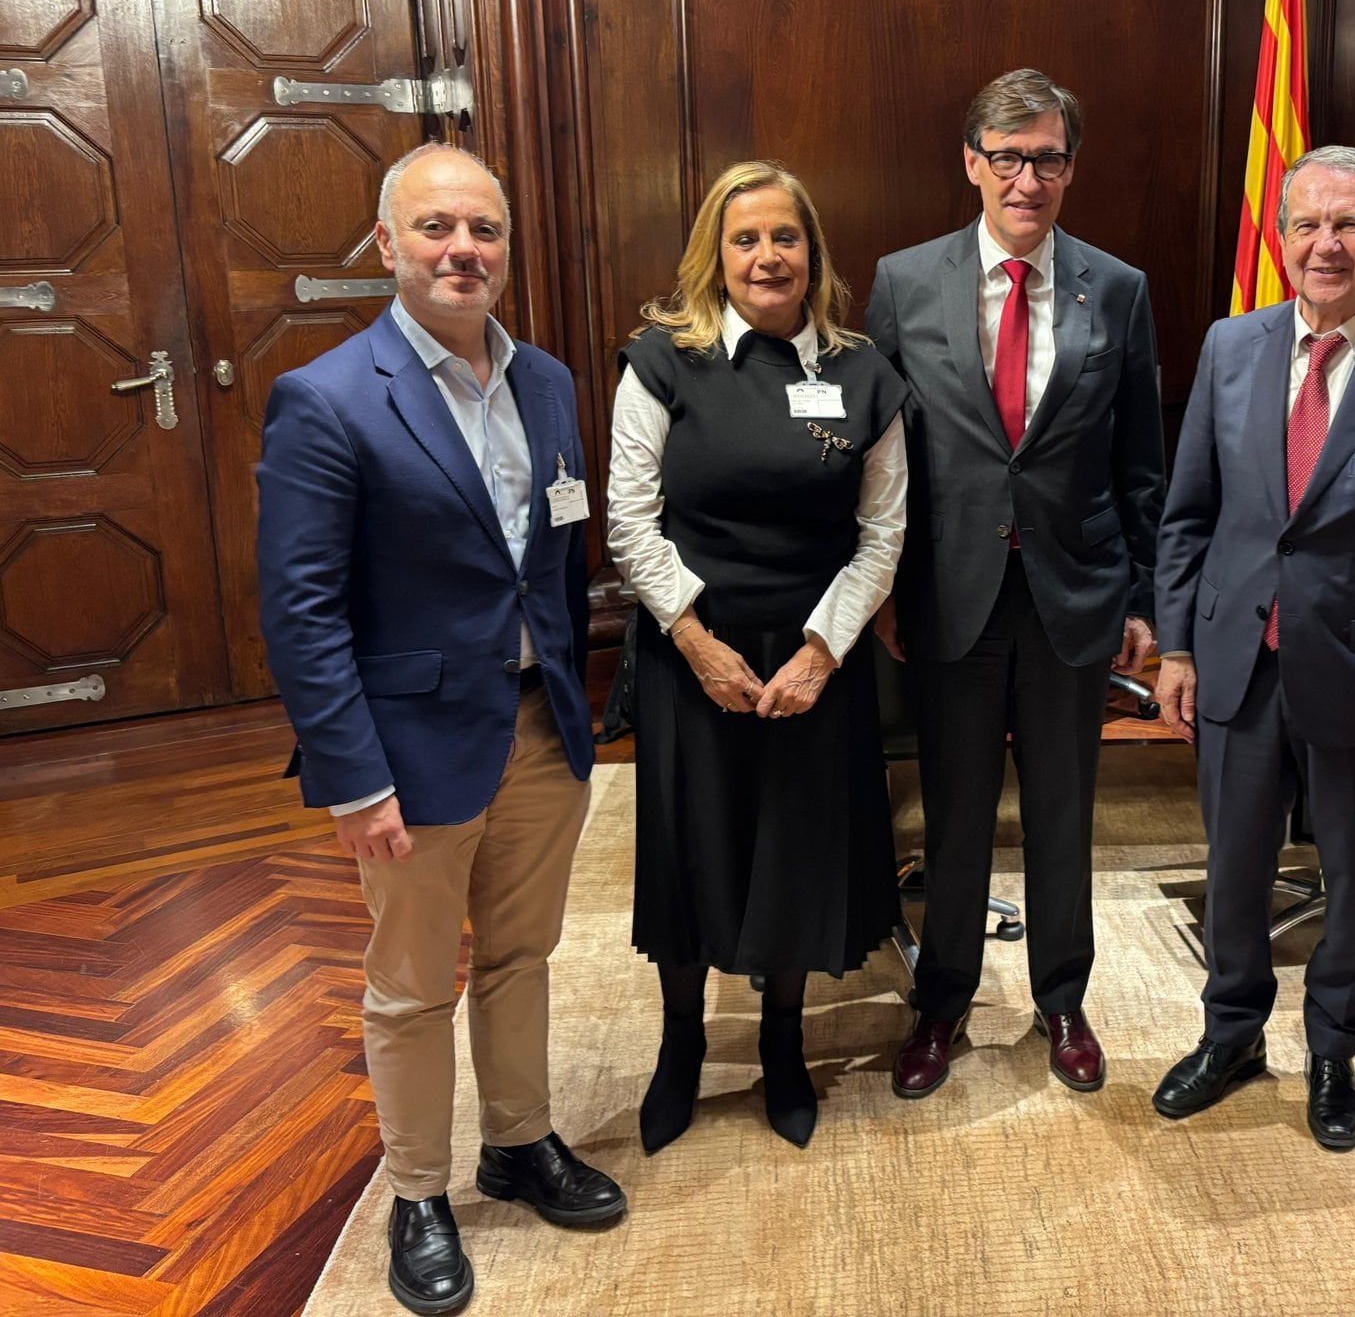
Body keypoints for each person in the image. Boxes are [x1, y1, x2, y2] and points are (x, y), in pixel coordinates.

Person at [257, 143, 622, 1317]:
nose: (461, 250)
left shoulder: (550, 383)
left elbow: (559, 561)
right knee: (411, 987)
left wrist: (575, 701)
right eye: (435, 229)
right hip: (408, 752)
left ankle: (516, 1144)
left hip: (536, 730)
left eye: (483, 230)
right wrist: (350, 776)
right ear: (387, 245)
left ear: (505, 251)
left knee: (522, 956)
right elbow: (300, 607)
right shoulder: (328, 396)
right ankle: (418, 1191)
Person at [1150, 144, 1355, 1151]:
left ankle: (1334, 1050)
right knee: (1235, 865)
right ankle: (1231, 1035)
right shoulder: (1229, 346)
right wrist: (1174, 646)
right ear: (1280, 236)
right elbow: (1187, 516)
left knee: (1354, 877)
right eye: (1305, 223)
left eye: (1348, 225)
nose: (1324, 244)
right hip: (1237, 664)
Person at [867, 68, 1166, 1099]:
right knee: (951, 814)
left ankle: (1061, 999)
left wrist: (1142, 601)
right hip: (946, 592)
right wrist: (887, 589)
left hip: (1071, 595)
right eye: (1006, 156)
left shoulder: (1116, 289)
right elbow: (887, 451)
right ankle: (941, 1005)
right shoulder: (903, 283)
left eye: (1044, 157)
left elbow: (1140, 460)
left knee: (1059, 812)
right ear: (970, 163)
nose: (1024, 178)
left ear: (1069, 167)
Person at [607, 160, 907, 1154]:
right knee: (695, 848)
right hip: (693, 653)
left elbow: (882, 535)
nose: (766, 255)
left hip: (815, 654)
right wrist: (693, 643)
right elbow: (629, 523)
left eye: (784, 236)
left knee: (795, 848)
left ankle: (782, 1041)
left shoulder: (860, 376)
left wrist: (821, 652)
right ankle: (680, 1042)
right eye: (745, 239)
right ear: (715, 254)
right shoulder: (661, 362)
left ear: (811, 252)